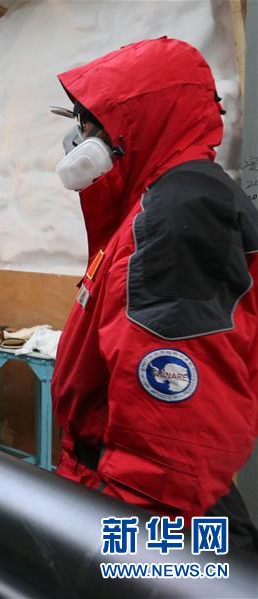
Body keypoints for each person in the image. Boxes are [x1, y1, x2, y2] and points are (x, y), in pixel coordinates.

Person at [50, 38, 258, 552]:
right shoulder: (152, 206)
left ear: (133, 124)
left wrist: (127, 552)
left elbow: (171, 435)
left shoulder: (178, 215)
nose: (79, 139)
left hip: (153, 511)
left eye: (91, 124)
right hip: (115, 484)